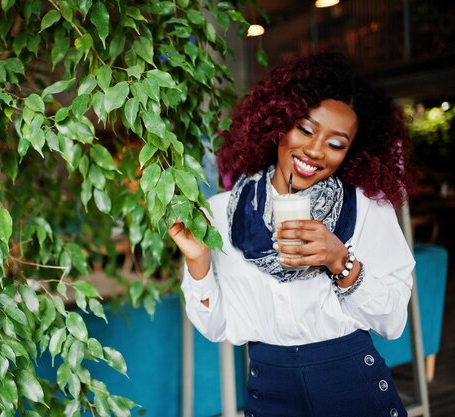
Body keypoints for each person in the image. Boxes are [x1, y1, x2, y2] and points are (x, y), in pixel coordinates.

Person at [168, 53, 416, 417]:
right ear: (279, 123)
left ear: (351, 153)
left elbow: (393, 322)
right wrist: (198, 262)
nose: (315, 151)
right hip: (269, 391)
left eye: (336, 144)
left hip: (351, 388)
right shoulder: (223, 213)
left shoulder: (365, 208)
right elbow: (216, 327)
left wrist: (339, 259)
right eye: (305, 128)